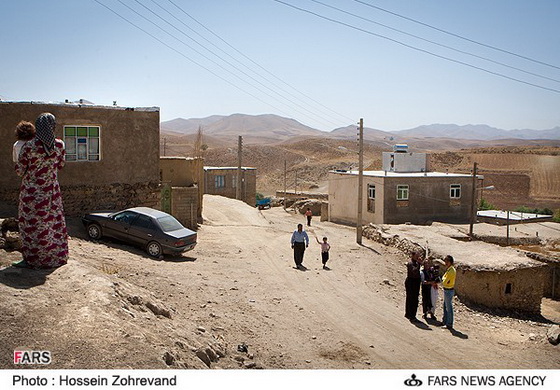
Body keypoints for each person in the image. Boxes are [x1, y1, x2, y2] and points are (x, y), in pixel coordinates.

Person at [13, 113, 69, 269]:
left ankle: (32, 259)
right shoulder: (59, 145)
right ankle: (56, 258)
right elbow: (61, 165)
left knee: (31, 225)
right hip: (52, 192)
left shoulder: (28, 146)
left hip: (32, 193)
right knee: (53, 224)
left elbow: (20, 170)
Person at [404, 251, 424, 321]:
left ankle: (409, 314)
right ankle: (412, 316)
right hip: (411, 282)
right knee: (412, 299)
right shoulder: (411, 263)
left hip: (415, 282)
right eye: (416, 255)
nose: (418, 257)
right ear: (413, 256)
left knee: (412, 298)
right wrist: (419, 264)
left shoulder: (416, 263)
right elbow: (414, 271)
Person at [441, 255, 457, 330]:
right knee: (445, 306)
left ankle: (449, 324)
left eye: (446, 261)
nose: (445, 263)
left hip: (448, 290)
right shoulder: (449, 269)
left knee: (448, 307)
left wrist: (442, 280)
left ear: (450, 262)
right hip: (447, 290)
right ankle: (445, 321)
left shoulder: (451, 271)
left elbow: (444, 281)